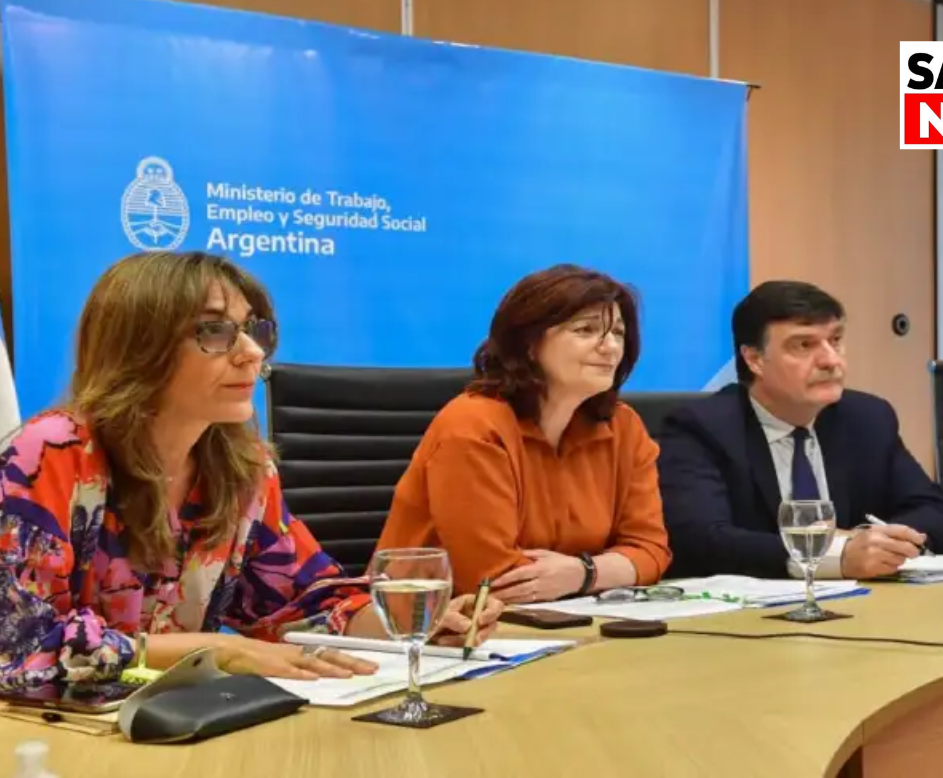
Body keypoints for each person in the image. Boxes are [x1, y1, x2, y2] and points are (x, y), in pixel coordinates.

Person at [0, 252, 502, 690]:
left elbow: (298, 602)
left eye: (253, 330)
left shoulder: (244, 469)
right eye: (216, 331)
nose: (254, 353)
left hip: (177, 725)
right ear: (138, 348)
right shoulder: (50, 455)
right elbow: (19, 646)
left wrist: (412, 621)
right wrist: (218, 650)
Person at [376, 264, 672, 602]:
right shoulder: (474, 426)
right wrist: (609, 569)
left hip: (567, 612)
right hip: (435, 623)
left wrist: (582, 573)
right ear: (529, 344)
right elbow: (494, 579)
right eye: (586, 330)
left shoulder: (624, 427)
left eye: (618, 333)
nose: (610, 347)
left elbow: (651, 550)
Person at [657, 280, 943, 580]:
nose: (831, 360)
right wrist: (836, 555)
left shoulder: (867, 419)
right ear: (754, 359)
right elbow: (701, 540)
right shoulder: (702, 429)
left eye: (836, 340)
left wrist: (871, 543)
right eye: (804, 345)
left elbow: (937, 514)